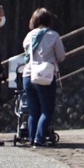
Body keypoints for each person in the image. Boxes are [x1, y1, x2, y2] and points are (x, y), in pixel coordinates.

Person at [22, 8, 66, 147]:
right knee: (47, 110)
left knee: (33, 111)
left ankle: (32, 139)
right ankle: (39, 139)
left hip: (28, 75)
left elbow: (26, 51)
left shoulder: (29, 36)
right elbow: (61, 56)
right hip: (45, 76)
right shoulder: (54, 35)